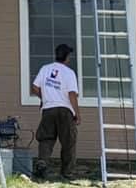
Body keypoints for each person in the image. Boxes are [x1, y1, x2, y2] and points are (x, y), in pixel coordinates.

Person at [32, 43, 80, 181]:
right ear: (67, 57)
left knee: (46, 139)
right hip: (65, 110)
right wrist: (77, 114)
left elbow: (35, 88)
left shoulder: (45, 69)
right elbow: (72, 94)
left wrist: (45, 98)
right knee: (68, 142)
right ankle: (67, 173)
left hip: (48, 109)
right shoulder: (69, 73)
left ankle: (42, 164)